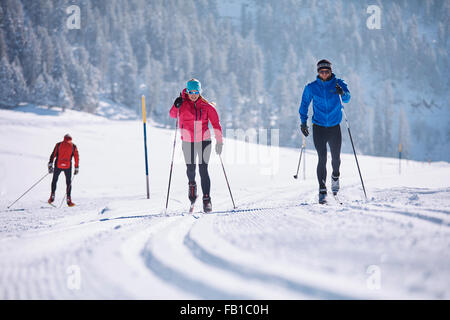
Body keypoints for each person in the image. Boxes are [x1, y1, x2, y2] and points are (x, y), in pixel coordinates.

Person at [298, 59, 351, 204]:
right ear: (318, 72)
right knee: (322, 157)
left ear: (331, 71)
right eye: (321, 71)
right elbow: (304, 105)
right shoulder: (311, 87)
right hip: (319, 127)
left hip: (334, 127)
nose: (324, 74)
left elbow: (347, 98)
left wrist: (343, 93)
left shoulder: (338, 83)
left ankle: (335, 176)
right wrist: (303, 122)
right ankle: (322, 190)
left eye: (327, 71)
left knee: (336, 159)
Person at [169, 78, 223, 212]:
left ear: (200, 91)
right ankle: (192, 186)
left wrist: (219, 141)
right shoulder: (181, 103)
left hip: (204, 141)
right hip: (188, 141)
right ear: (187, 91)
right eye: (191, 91)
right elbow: (172, 115)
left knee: (203, 170)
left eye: (196, 91)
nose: (193, 94)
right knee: (191, 169)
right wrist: (176, 105)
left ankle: (207, 200)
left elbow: (216, 124)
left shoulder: (206, 106)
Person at [48, 134, 79, 207]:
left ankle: (52, 197)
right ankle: (69, 200)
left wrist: (50, 164)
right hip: (68, 166)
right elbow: (76, 157)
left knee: (54, 180)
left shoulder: (58, 145)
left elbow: (53, 154)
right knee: (68, 183)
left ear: (64, 138)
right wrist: (76, 167)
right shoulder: (73, 146)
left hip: (58, 165)